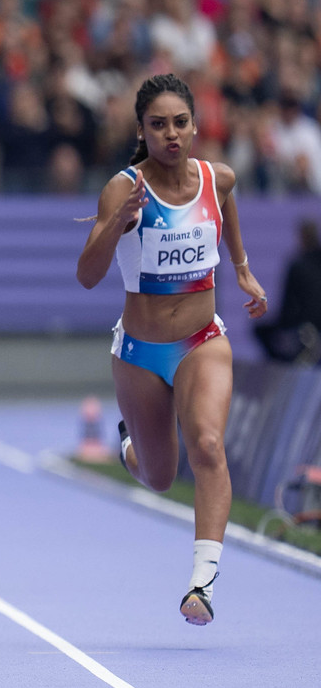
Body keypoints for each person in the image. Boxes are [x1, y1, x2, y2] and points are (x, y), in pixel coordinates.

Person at [76, 73, 270, 625]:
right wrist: (118, 222)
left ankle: (201, 585)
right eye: (158, 125)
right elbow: (87, 275)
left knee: (207, 444)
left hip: (202, 341)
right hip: (139, 351)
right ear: (142, 130)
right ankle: (129, 446)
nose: (171, 134)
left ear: (194, 125)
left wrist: (242, 270)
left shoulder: (218, 178)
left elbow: (226, 208)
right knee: (160, 474)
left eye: (180, 123)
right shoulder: (122, 188)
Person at [257, 218, 321, 363]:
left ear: (302, 237)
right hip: (312, 324)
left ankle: (285, 364)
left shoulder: (297, 265)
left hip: (303, 324)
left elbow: (289, 303)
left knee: (261, 331)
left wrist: (284, 323)